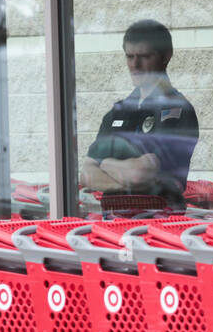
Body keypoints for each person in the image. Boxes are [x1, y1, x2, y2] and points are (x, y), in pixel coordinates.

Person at [79, 19, 199, 207]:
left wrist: (105, 164)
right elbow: (87, 174)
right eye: (130, 56)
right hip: (114, 220)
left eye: (144, 56)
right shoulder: (118, 112)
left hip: (159, 218)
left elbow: (140, 174)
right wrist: (126, 182)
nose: (135, 64)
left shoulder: (177, 110)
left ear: (165, 57)